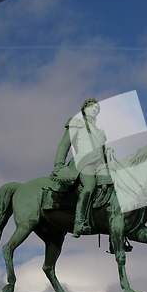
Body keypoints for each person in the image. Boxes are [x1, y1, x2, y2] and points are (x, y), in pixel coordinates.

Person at [51, 98, 108, 237]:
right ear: (84, 108)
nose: (95, 109)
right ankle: (79, 223)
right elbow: (65, 144)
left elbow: (103, 152)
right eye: (92, 107)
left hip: (100, 165)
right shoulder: (77, 123)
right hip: (84, 161)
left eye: (97, 108)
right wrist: (59, 164)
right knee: (90, 186)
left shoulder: (100, 132)